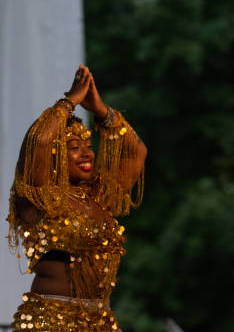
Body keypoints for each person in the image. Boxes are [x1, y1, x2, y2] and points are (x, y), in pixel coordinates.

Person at [7, 65, 147, 331]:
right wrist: (69, 101)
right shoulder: (41, 196)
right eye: (74, 148)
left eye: (88, 147)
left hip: (100, 322)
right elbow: (38, 141)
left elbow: (136, 152)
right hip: (50, 320)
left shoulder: (99, 196)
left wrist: (102, 111)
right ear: (54, 155)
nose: (87, 154)